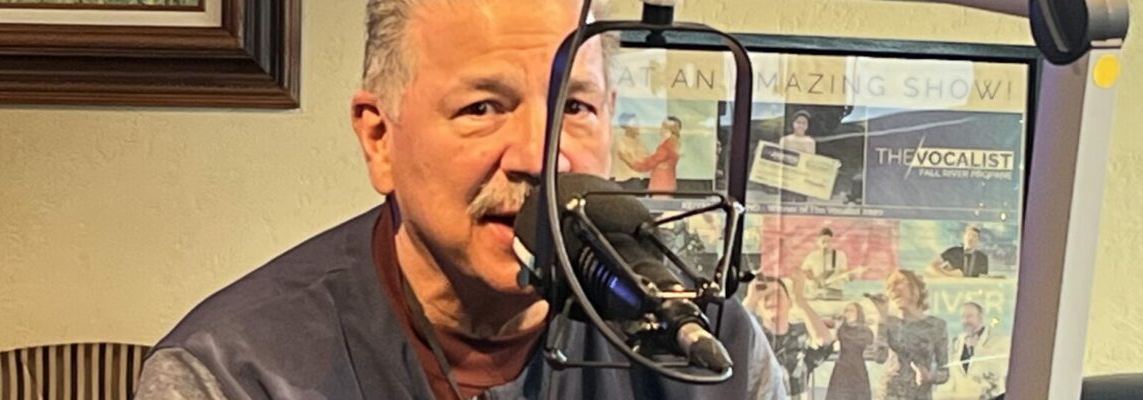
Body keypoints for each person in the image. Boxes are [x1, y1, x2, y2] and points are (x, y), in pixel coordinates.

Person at [134, 1, 782, 399]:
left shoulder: (712, 352)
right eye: (482, 108)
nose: (539, 157)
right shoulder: (232, 373)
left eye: (575, 108)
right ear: (379, 138)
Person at [746, 278, 834, 399]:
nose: (772, 300)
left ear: (790, 303)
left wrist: (800, 301)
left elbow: (824, 342)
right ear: (758, 309)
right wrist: (750, 300)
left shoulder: (801, 335)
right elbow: (732, 343)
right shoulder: (754, 339)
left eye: (778, 294)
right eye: (765, 297)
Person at [870, 270, 950, 400]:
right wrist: (882, 318)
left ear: (916, 289)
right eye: (889, 287)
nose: (893, 289)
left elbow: (945, 371)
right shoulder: (889, 322)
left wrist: (930, 376)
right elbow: (879, 357)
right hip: (890, 394)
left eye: (898, 283)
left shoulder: (936, 325)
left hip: (920, 395)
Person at [944, 302, 1008, 400]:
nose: (965, 321)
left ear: (981, 317)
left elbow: (1001, 371)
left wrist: (978, 351)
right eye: (963, 317)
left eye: (969, 316)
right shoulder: (956, 343)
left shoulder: (999, 340)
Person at [822, 303, 876, 400]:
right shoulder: (841, 329)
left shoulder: (865, 331)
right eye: (846, 310)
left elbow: (869, 341)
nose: (848, 313)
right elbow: (830, 341)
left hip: (857, 368)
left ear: (858, 313)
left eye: (851, 310)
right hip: (842, 368)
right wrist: (836, 327)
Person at [802, 228, 862, 299]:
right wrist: (813, 280)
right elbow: (804, 272)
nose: (826, 243)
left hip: (835, 292)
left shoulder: (840, 255)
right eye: (823, 241)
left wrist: (850, 277)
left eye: (829, 241)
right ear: (818, 242)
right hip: (817, 293)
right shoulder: (812, 256)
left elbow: (843, 273)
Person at [634, 116, 684, 194]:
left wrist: (631, 162)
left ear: (668, 129)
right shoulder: (673, 144)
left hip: (661, 184)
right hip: (668, 182)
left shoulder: (666, 146)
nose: (660, 129)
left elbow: (651, 163)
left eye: (663, 126)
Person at [611, 113, 653, 190]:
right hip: (626, 181)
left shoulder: (639, 141)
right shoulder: (620, 141)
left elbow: (648, 158)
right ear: (627, 127)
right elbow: (629, 160)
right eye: (635, 124)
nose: (638, 126)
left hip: (640, 180)